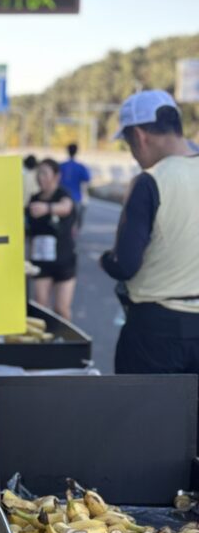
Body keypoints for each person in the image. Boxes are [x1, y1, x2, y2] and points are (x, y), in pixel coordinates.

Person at [100, 89, 199, 374]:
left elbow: (126, 264)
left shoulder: (149, 182)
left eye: (129, 143)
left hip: (156, 332)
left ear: (141, 136)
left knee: (148, 417)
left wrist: (105, 260)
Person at [25, 157, 77, 320]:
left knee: (61, 308)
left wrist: (47, 208)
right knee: (41, 305)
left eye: (45, 173)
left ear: (56, 176)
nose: (40, 177)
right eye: (38, 173)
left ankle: (66, 342)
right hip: (41, 261)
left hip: (64, 260)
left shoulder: (63, 195)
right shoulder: (34, 199)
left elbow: (66, 207)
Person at [59, 142, 91, 232]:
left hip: (62, 197)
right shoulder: (81, 167)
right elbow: (86, 181)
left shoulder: (61, 166)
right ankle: (74, 233)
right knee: (75, 219)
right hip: (76, 197)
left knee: (63, 219)